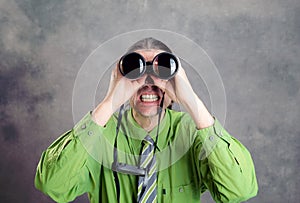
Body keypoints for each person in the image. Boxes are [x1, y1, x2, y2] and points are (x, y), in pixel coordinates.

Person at [35, 38, 258, 203]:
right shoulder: (100, 134)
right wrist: (109, 103)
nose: (149, 83)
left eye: (161, 71)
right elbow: (53, 184)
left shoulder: (192, 133)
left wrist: (191, 100)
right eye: (136, 70)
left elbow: (239, 190)